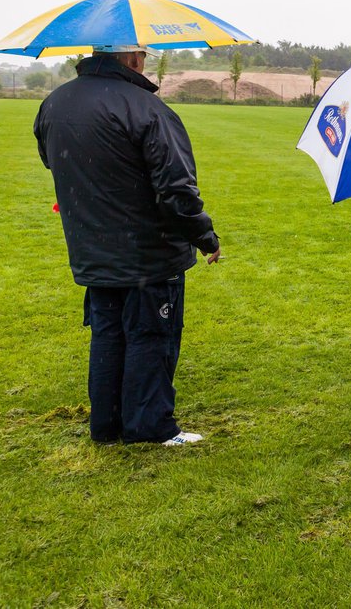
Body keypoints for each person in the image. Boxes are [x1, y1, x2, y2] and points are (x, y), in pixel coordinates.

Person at [33, 47, 221, 447]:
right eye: (143, 54)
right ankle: (149, 427)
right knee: (150, 336)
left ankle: (107, 426)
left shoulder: (55, 102)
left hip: (92, 246)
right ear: (133, 59)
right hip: (148, 253)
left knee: (108, 335)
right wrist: (204, 236)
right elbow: (176, 191)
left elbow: (53, 161)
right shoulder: (147, 109)